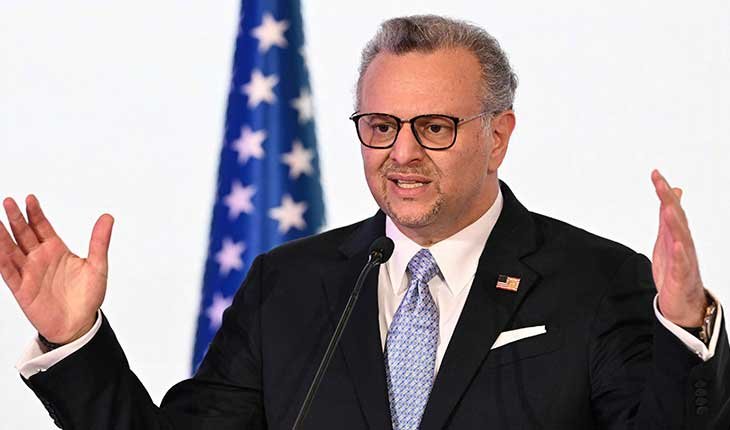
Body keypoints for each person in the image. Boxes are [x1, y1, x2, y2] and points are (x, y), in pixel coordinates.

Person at [1, 15, 728, 430]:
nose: (401, 154)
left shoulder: (595, 280)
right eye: (380, 126)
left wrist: (685, 325)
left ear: (498, 136)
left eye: (434, 127)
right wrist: (75, 342)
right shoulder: (289, 285)